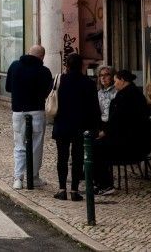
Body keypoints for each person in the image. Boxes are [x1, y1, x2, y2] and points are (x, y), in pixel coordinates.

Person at [51, 53, 100, 201]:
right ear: (81, 66)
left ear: (67, 65)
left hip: (62, 124)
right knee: (77, 158)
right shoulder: (89, 83)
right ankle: (74, 190)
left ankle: (61, 189)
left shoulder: (59, 80)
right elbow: (94, 108)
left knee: (62, 157)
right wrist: (95, 128)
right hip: (81, 126)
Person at [94, 69, 150, 195]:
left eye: (116, 81)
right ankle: (100, 183)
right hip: (132, 141)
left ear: (123, 80)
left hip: (130, 145)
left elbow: (119, 122)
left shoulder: (125, 97)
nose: (114, 84)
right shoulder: (133, 93)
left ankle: (105, 184)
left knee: (97, 148)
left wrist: (104, 133)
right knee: (97, 145)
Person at [5, 44, 54, 189]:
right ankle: (33, 177)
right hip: (37, 111)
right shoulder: (44, 71)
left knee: (19, 145)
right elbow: (48, 92)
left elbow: (8, 88)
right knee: (36, 146)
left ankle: (18, 179)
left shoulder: (14, 66)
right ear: (42, 57)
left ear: (28, 53)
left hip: (18, 112)